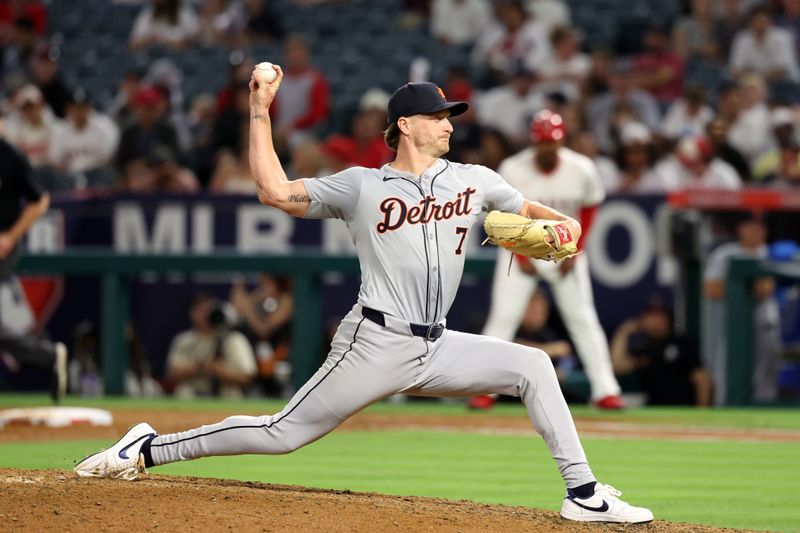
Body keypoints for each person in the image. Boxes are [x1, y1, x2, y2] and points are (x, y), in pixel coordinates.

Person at [73, 70, 653, 525]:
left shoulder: (477, 179)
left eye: (451, 116)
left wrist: (563, 229)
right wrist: (258, 110)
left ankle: (583, 493)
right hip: (374, 341)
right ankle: (149, 448)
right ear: (405, 125)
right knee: (283, 434)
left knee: (532, 364)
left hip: (438, 344)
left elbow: (536, 215)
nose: (450, 124)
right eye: (438, 116)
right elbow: (273, 191)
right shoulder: (362, 185)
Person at [479, 110, 623, 411]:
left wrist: (577, 248)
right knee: (503, 318)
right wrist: (517, 252)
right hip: (520, 248)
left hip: (565, 250)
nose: (547, 148)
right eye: (542, 143)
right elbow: (500, 216)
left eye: (552, 143)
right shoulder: (513, 168)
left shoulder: (581, 168)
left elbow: (590, 208)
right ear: (534, 141)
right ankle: (484, 390)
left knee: (583, 320)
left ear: (561, 141)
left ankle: (605, 390)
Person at [0, 134, 66, 402]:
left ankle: (47, 355)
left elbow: (39, 201)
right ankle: (46, 355)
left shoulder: (8, 155)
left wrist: (10, 236)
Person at [702, 214, 782, 405]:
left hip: (765, 325)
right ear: (740, 229)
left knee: (765, 376)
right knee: (726, 372)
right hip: (732, 325)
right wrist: (746, 287)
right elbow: (711, 289)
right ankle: (725, 412)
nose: (755, 232)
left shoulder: (769, 253)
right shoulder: (726, 254)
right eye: (750, 227)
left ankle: (764, 417)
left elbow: (764, 290)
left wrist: (736, 286)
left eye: (759, 227)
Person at [610, 301, 712, 406]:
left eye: (659, 316)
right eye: (650, 317)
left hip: (683, 409)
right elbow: (617, 367)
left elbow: (702, 380)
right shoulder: (644, 350)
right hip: (654, 410)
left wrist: (702, 411)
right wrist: (623, 332)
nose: (655, 321)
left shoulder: (682, 344)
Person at [165, 292, 257, 400]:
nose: (204, 314)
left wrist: (220, 371)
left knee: (232, 393)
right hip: (193, 393)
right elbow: (172, 373)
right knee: (184, 391)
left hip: (225, 394)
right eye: (199, 310)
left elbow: (247, 376)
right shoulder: (184, 340)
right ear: (191, 313)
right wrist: (200, 368)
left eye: (207, 309)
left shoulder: (233, 339)